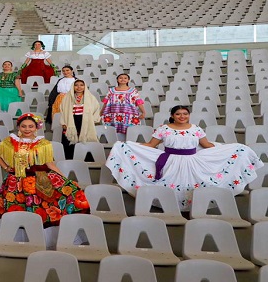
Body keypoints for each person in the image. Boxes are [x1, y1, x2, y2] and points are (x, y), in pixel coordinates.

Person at [106, 105, 264, 211]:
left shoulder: (196, 129)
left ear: (189, 115)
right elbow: (151, 145)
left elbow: (206, 145)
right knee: (170, 186)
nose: (182, 116)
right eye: (178, 114)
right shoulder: (164, 129)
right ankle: (171, 209)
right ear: (172, 116)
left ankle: (192, 212)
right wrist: (126, 145)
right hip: (170, 162)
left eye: (185, 114)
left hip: (192, 162)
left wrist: (234, 149)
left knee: (193, 185)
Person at [0, 113, 89, 244]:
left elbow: (50, 164)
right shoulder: (10, 142)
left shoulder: (43, 143)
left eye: (30, 126)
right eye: (23, 126)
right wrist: (6, 168)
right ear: (18, 127)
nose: (27, 129)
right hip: (16, 181)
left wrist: (65, 179)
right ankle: (20, 240)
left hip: (40, 180)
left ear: (36, 127)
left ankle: (41, 240)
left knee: (42, 209)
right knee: (19, 208)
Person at [59, 80, 101, 159]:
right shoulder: (67, 97)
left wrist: (93, 120)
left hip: (85, 121)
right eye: (76, 85)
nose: (79, 87)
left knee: (86, 139)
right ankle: (70, 158)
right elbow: (62, 110)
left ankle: (87, 159)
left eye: (81, 85)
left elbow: (96, 108)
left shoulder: (90, 97)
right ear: (73, 87)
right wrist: (63, 122)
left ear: (85, 86)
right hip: (71, 120)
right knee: (69, 140)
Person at [101, 73, 146, 140]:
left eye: (125, 78)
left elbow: (138, 101)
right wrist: (101, 111)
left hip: (129, 114)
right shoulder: (111, 90)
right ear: (117, 80)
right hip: (114, 115)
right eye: (121, 78)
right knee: (114, 133)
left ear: (128, 80)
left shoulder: (133, 91)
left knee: (128, 132)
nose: (123, 79)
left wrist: (143, 112)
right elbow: (106, 102)